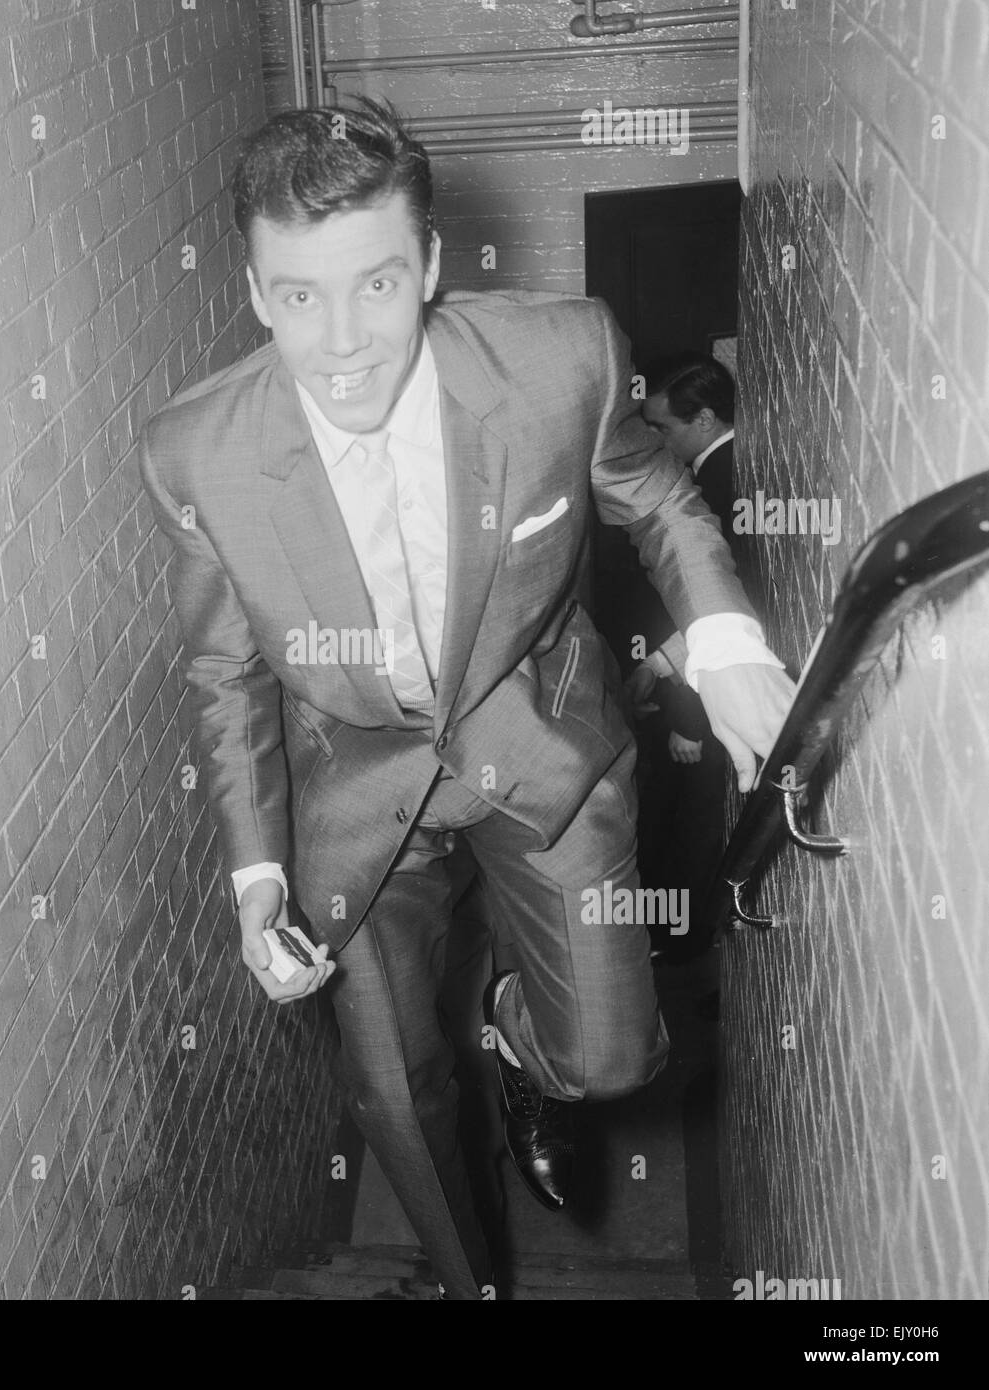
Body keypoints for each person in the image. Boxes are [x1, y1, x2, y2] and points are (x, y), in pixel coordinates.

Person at [139, 99, 795, 1299]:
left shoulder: (560, 360)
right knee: (395, 1096)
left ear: (432, 264)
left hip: (536, 745)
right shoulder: (195, 455)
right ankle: (473, 1285)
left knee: (607, 1059)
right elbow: (224, 669)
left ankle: (515, 1025)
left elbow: (654, 499)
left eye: (377, 285)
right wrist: (255, 875)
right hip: (355, 796)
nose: (339, 341)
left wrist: (724, 635)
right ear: (251, 289)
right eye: (297, 297)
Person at [627, 356, 742, 951]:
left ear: (701, 419)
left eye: (662, 427)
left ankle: (678, 942)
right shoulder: (719, 466)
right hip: (688, 686)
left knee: (688, 825)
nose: (653, 440)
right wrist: (657, 665)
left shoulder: (719, 482)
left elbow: (722, 607)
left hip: (698, 708)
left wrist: (688, 719)